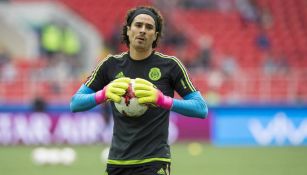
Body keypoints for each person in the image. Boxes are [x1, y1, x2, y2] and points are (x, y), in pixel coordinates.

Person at [70, 6, 208, 175]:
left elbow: (201, 108)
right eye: (138, 25)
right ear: (128, 30)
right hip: (117, 162)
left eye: (149, 27)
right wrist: (103, 94)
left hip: (154, 162)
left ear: (155, 36)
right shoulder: (110, 65)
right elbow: (75, 103)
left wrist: (162, 100)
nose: (143, 30)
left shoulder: (170, 65)